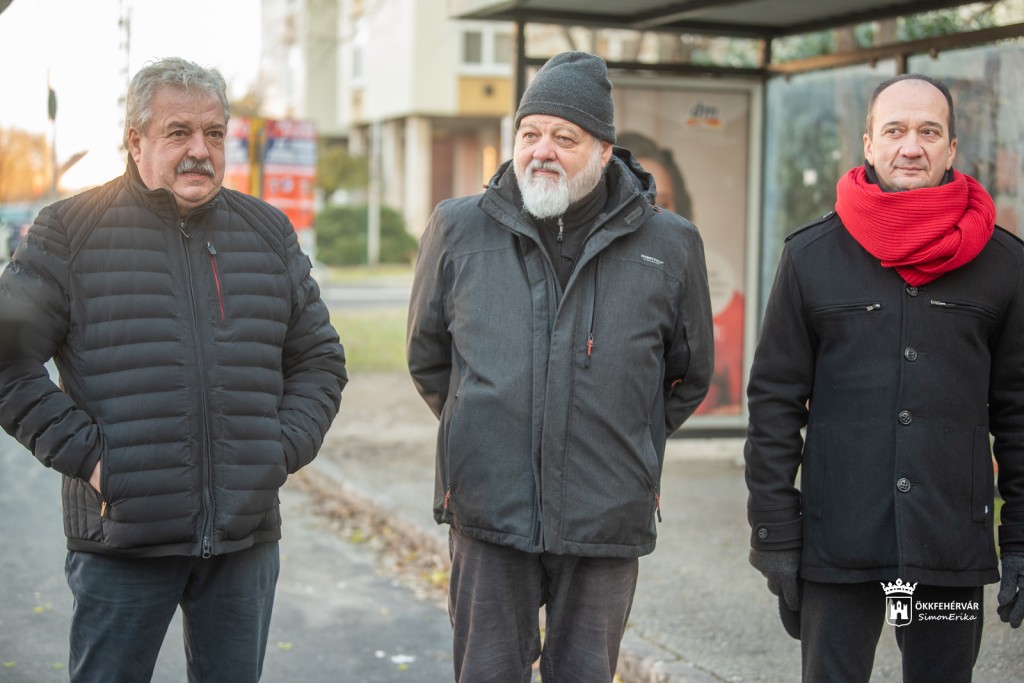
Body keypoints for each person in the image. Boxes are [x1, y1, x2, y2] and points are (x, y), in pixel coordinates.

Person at [0, 57, 347, 682]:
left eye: (214, 134)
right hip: (121, 540)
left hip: (243, 543)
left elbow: (319, 359)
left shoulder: (267, 232)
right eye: (178, 132)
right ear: (136, 141)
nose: (200, 151)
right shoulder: (69, 232)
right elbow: (8, 362)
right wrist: (96, 461)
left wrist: (277, 451)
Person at [407, 51, 714, 682]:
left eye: (564, 138)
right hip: (489, 509)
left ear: (604, 151)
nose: (541, 151)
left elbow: (689, 375)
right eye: (529, 134)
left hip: (605, 515)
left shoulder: (670, 242)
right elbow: (428, 356)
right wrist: (485, 417)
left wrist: (623, 434)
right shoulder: (458, 228)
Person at [744, 73, 1024, 682]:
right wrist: (773, 531)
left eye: (929, 131)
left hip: (947, 542)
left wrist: (1021, 536)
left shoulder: (1004, 264)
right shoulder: (811, 256)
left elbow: (1018, 413)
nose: (911, 146)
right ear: (869, 144)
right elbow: (773, 403)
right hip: (838, 543)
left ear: (952, 148)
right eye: (895, 130)